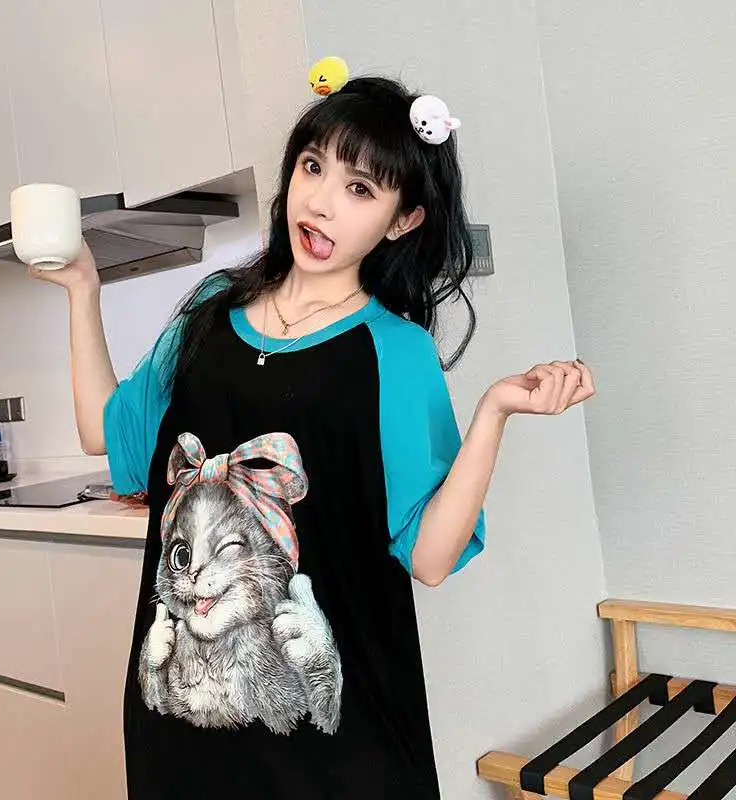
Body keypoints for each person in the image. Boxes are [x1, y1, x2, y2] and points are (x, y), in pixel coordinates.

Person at [31, 74, 595, 799]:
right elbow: (106, 436)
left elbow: (429, 558)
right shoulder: (210, 310)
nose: (321, 201)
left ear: (402, 221)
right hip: (179, 733)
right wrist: (84, 289)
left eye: (360, 189)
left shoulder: (395, 352)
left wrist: (493, 413)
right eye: (312, 166)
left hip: (335, 738)